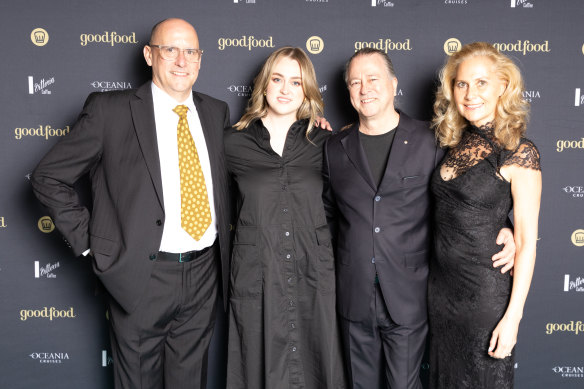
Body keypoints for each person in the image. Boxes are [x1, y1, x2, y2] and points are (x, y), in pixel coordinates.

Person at [31, 18, 231, 389]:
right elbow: (47, 177)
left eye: (191, 52)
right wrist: (93, 244)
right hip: (140, 275)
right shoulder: (110, 110)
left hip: (204, 274)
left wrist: (307, 124)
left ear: (201, 59)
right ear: (149, 55)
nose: (181, 60)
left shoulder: (216, 113)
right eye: (170, 49)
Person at [323, 48, 516, 389]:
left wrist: (507, 228)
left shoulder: (431, 140)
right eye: (355, 82)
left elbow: (461, 197)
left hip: (410, 294)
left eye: (373, 79)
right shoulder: (333, 147)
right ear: (348, 91)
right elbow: (323, 214)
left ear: (393, 84)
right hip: (353, 295)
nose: (364, 88)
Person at [224, 47, 346, 389]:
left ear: (306, 90)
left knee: (316, 364)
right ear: (264, 84)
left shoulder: (326, 142)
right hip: (257, 275)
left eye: (296, 82)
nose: (285, 89)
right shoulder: (232, 143)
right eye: (277, 79)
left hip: (314, 273)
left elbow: (347, 206)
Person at [428, 42, 541, 388]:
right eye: (461, 84)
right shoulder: (453, 144)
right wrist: (501, 224)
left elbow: (526, 241)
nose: (469, 93)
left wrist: (513, 319)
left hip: (484, 300)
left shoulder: (519, 153)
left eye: (481, 83)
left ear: (502, 87)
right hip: (440, 295)